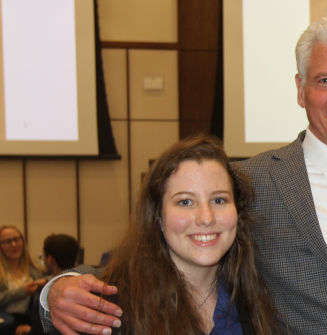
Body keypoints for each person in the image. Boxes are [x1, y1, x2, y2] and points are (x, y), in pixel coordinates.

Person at [43, 14, 327, 334]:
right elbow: (153, 254)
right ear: (300, 90)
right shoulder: (248, 183)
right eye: (325, 80)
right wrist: (57, 289)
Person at [48, 136, 280, 334]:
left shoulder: (255, 295)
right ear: (157, 215)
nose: (206, 217)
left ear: (237, 211)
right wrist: (51, 289)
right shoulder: (112, 307)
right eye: (186, 202)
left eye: (219, 200)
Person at [0, 226, 46, 332]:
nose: (14, 245)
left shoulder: (36, 272)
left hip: (28, 323)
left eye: (16, 239)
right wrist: (23, 291)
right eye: (7, 241)